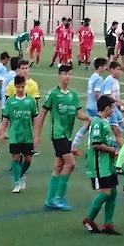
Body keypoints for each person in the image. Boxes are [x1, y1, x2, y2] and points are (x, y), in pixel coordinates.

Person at [34, 65, 90, 210]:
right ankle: (59, 198)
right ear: (59, 75)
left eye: (70, 74)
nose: (67, 76)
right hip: (58, 134)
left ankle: (49, 200)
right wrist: (37, 135)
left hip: (67, 134)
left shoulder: (73, 94)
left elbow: (78, 114)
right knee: (70, 164)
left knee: (59, 166)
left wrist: (89, 118)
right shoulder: (53, 94)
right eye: (65, 73)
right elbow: (42, 114)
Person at [82, 95, 123, 235]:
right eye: (112, 107)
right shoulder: (97, 123)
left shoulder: (105, 121)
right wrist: (112, 150)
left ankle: (108, 224)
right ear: (107, 108)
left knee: (113, 192)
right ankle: (89, 218)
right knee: (106, 192)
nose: (114, 109)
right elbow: (96, 144)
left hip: (108, 163)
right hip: (100, 164)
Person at [0, 75, 39, 193]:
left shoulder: (31, 101)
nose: (20, 89)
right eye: (18, 87)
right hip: (15, 134)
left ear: (25, 86)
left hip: (27, 134)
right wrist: (2, 132)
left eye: (22, 87)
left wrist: (36, 133)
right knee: (15, 157)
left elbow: (35, 118)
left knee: (28, 159)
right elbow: (5, 119)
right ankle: (17, 182)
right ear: (15, 86)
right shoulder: (10, 101)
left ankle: (21, 175)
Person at [72, 57, 108, 149]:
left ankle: (74, 145)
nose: (106, 68)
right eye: (105, 66)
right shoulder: (99, 79)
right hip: (95, 107)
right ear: (100, 67)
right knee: (95, 126)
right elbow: (97, 93)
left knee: (86, 126)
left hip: (90, 104)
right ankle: (90, 147)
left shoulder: (92, 77)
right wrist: (103, 103)